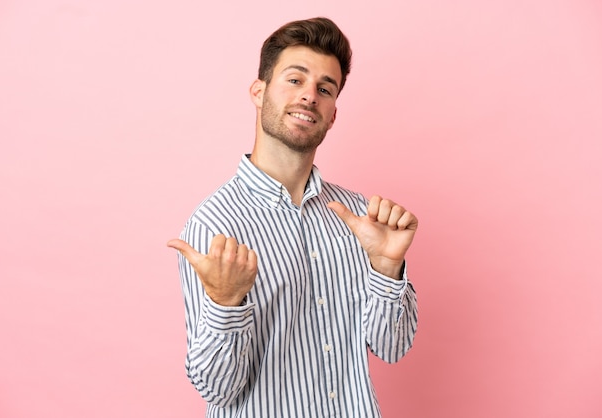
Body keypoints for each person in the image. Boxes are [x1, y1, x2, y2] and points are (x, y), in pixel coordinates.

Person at [167, 17, 418, 418]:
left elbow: (392, 347)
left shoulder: (358, 217)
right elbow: (217, 389)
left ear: (333, 113)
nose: (309, 97)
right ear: (259, 91)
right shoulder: (214, 224)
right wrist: (226, 303)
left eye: (325, 88)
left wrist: (387, 268)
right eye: (295, 80)